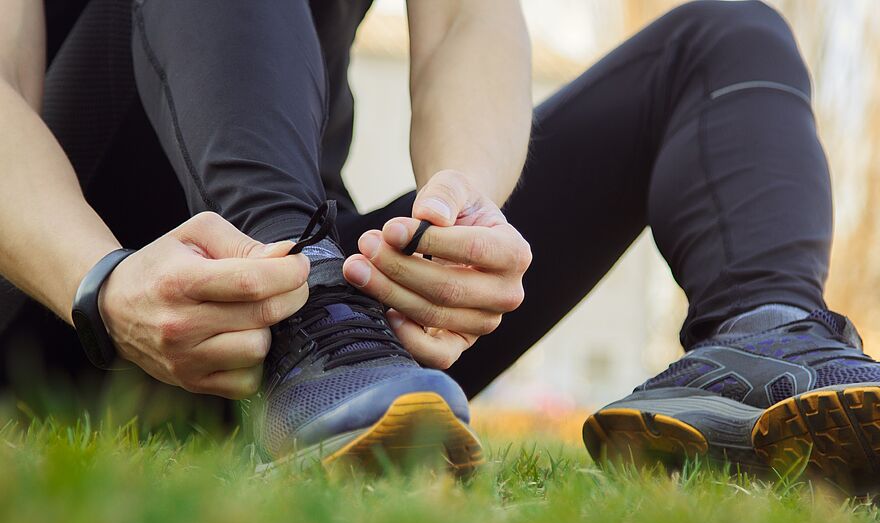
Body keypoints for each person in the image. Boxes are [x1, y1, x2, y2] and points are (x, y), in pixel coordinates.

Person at [1, 1, 878, 488]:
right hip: (68, 295)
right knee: (285, 258)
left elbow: (464, 19)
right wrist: (100, 288)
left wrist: (460, 211)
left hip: (326, 337)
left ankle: (766, 346)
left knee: (728, 39)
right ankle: (302, 293)